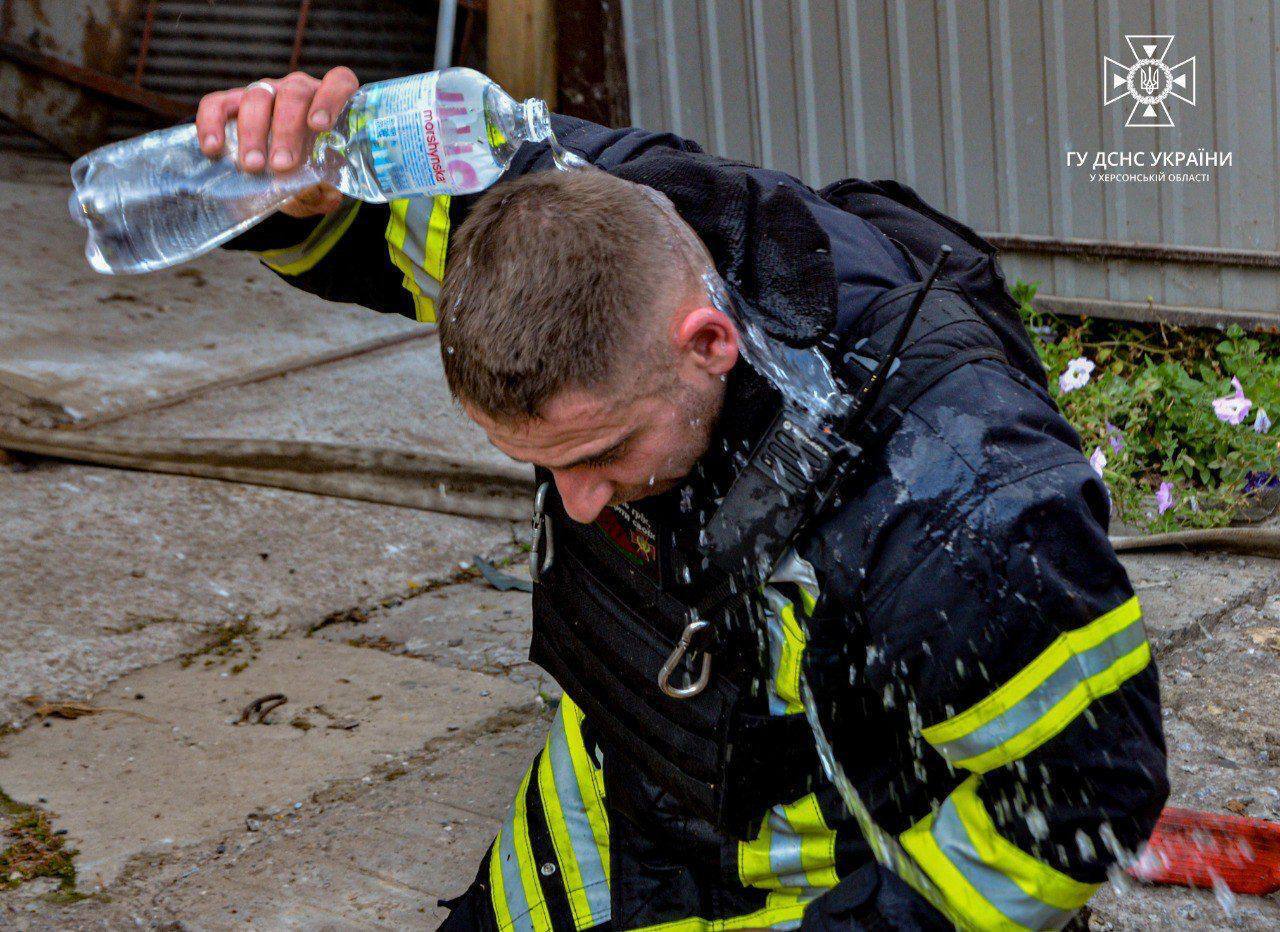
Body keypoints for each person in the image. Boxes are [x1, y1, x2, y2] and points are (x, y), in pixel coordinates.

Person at [201, 69, 1168, 930]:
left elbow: (1089, 790)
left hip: (832, 856)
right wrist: (291, 196)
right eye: (540, 461)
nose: (576, 505)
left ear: (709, 341)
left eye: (603, 452)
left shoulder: (956, 499)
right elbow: (381, 229)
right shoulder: (558, 212)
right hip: (628, 763)